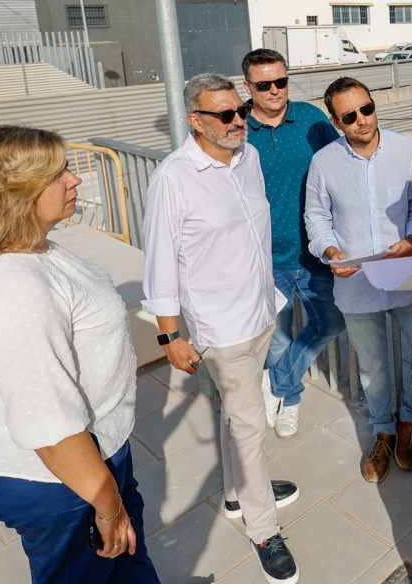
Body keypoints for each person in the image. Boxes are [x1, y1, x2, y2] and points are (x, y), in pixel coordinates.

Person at [0, 125, 159, 584]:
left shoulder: (5, 246)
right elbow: (49, 426)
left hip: (88, 460)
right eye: (58, 173)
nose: (74, 180)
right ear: (19, 193)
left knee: (127, 562)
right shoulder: (15, 289)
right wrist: (107, 503)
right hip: (60, 480)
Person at [141, 74, 299, 584]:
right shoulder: (175, 176)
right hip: (221, 326)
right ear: (196, 121)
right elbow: (161, 262)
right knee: (251, 425)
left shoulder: (247, 158)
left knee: (239, 418)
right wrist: (170, 335)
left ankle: (237, 492)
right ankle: (263, 529)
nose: (240, 122)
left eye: (241, 111)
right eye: (226, 115)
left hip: (259, 311)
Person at [305, 76, 412, 483]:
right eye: (349, 115)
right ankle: (384, 431)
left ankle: (410, 418)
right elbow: (316, 218)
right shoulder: (324, 162)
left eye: (366, 108)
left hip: (405, 275)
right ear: (336, 121)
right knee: (373, 367)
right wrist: (330, 252)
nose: (362, 120)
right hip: (356, 281)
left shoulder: (406, 150)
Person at [241, 48, 344, 440]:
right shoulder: (239, 130)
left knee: (331, 322)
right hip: (266, 259)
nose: (274, 91)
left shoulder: (313, 120)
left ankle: (278, 384)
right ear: (248, 86)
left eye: (281, 82)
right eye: (264, 85)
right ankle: (293, 399)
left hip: (315, 253)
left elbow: (340, 165)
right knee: (277, 338)